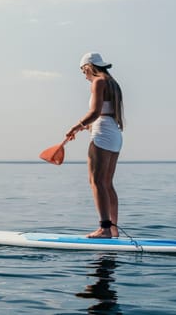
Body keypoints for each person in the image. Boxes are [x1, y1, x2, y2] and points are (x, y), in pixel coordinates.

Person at [66, 52, 124, 238]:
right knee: (107, 183)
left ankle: (104, 229)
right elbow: (106, 112)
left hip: (103, 133)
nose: (84, 75)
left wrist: (76, 126)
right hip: (114, 133)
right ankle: (113, 229)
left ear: (89, 66)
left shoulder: (98, 82)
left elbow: (95, 112)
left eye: (83, 70)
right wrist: (85, 127)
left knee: (96, 181)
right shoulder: (113, 83)